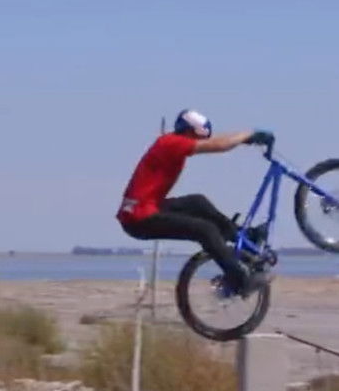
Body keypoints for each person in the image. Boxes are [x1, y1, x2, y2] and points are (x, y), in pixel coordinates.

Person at [116, 109, 273, 295]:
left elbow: (217, 141)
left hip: (149, 207)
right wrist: (249, 134)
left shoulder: (172, 141)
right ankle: (241, 280)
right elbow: (220, 145)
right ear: (189, 131)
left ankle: (242, 236)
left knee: (197, 202)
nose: (198, 142)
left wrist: (242, 139)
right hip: (139, 219)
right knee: (204, 230)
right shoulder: (171, 143)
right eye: (197, 137)